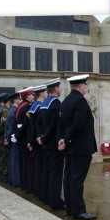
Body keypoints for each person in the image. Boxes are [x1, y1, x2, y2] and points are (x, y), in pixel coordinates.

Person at [58, 74, 97, 220]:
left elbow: (63, 125)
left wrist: (63, 140)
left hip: (70, 146)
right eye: (86, 85)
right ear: (80, 86)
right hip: (81, 147)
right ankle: (79, 210)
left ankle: (70, 207)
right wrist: (66, 139)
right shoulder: (80, 101)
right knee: (77, 180)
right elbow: (78, 125)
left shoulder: (66, 101)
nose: (87, 87)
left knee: (69, 178)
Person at [41, 79, 65, 209]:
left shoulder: (45, 103)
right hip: (53, 144)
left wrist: (42, 138)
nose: (60, 90)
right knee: (56, 174)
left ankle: (49, 198)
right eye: (59, 87)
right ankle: (55, 201)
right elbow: (55, 126)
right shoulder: (55, 103)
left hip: (46, 144)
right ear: (55, 89)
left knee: (49, 172)